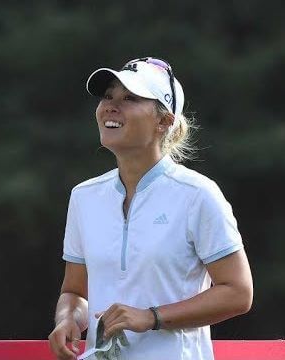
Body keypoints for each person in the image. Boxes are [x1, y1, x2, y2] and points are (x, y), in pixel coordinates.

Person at [48, 57, 253, 360]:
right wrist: (68, 319)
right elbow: (76, 292)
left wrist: (152, 317)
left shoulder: (198, 195)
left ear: (164, 121)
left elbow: (238, 292)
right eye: (108, 96)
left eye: (129, 98)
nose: (111, 106)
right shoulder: (84, 197)